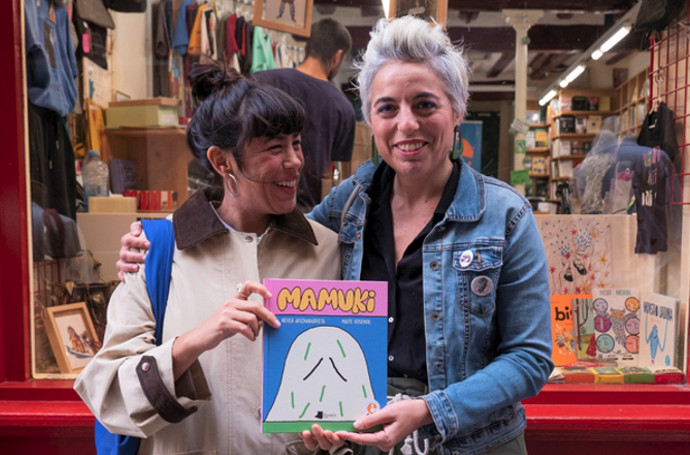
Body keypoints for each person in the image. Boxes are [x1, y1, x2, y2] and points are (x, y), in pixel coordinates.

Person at [117, 16, 553, 455]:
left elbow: (530, 358)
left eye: (425, 105)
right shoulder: (349, 206)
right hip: (366, 442)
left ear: (457, 110)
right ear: (370, 119)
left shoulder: (504, 215)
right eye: (387, 108)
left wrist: (428, 409)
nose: (406, 124)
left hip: (473, 444)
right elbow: (259, 224)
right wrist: (158, 240)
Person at [75, 61, 344, 454]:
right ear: (222, 162)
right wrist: (196, 340)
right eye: (275, 148)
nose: (295, 161)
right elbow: (110, 394)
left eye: (296, 143)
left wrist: (333, 435)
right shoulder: (156, 250)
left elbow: (342, 388)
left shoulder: (328, 251)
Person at [254, 18, 356, 211]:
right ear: (337, 56)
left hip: (254, 202)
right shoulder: (343, 108)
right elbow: (331, 173)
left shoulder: (264, 81)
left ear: (308, 48)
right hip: (302, 211)